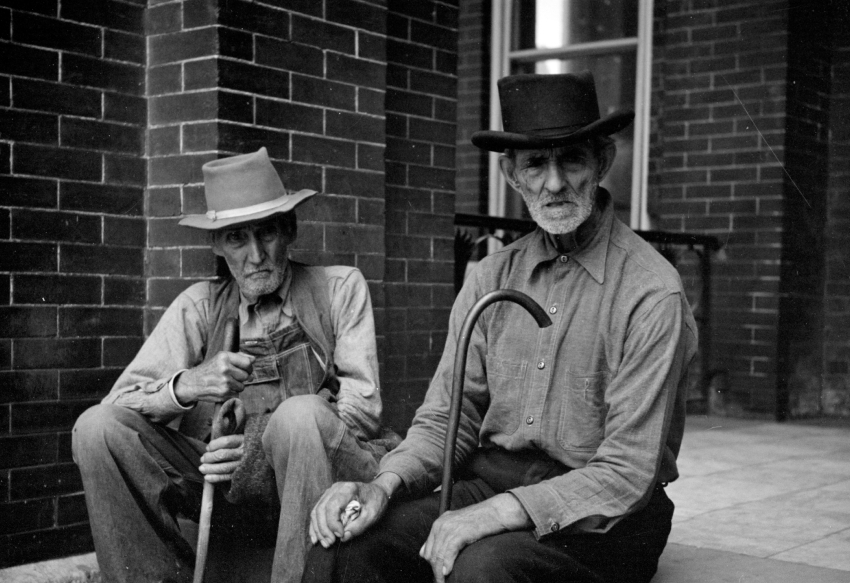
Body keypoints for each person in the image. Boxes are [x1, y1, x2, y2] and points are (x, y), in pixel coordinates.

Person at [303, 71, 698, 583]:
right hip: (490, 482)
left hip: (606, 517)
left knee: (481, 569)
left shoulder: (650, 292)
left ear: (603, 161)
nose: (554, 184)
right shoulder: (491, 276)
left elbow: (625, 474)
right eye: (536, 163)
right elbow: (447, 418)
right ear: (513, 175)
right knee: (349, 546)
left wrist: (490, 517)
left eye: (572, 159)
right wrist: (383, 485)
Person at [72, 147, 393, 583]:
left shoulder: (338, 289)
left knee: (301, 416)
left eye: (267, 234)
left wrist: (258, 444)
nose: (256, 255)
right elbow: (120, 402)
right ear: (218, 244)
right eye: (238, 238)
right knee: (98, 429)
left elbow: (362, 413)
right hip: (228, 493)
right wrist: (189, 385)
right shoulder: (200, 306)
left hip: (321, 479)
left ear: (290, 229)